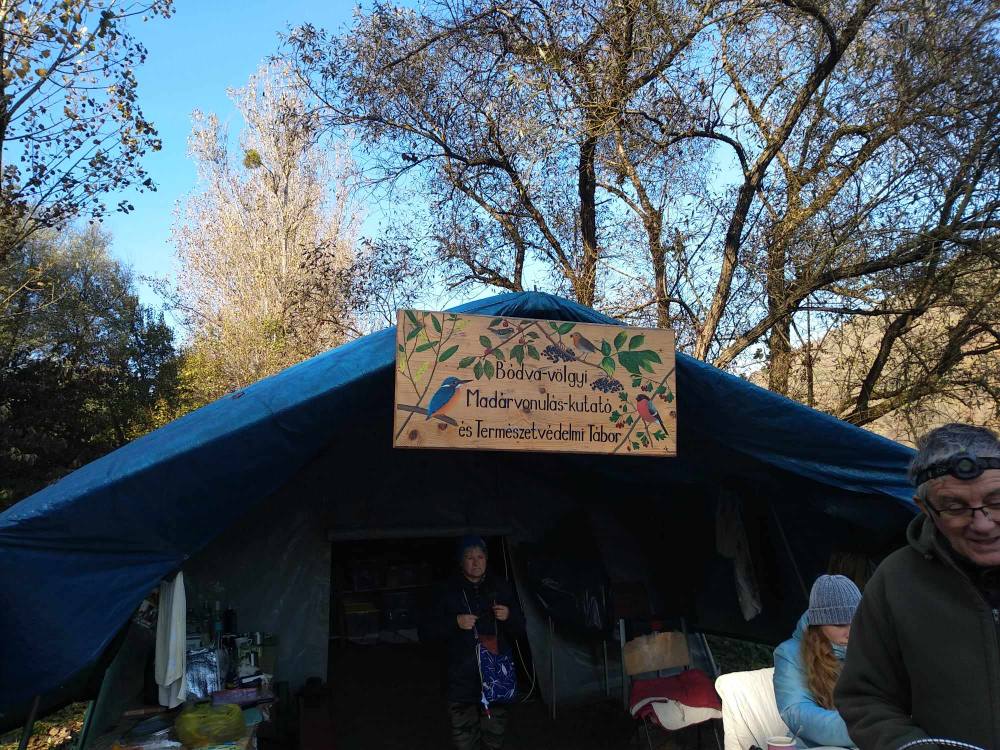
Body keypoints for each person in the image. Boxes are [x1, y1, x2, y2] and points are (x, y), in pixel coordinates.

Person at [835, 423, 1000, 748]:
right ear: (925, 509)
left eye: (996, 502)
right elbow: (864, 698)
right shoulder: (896, 581)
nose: (982, 524)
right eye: (955, 508)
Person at [421, 536, 526, 750]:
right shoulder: (446, 590)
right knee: (464, 738)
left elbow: (520, 627)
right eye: (469, 557)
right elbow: (426, 632)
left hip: (496, 673)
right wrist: (455, 622)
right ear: (461, 562)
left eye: (480, 557)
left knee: (494, 735)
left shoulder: (501, 587)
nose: (476, 562)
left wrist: (509, 616)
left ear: (486, 559)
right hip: (461, 675)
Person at [773, 574, 860, 748]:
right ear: (819, 624)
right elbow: (796, 712)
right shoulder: (790, 654)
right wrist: (858, 727)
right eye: (840, 624)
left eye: (856, 621)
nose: (850, 632)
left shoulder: (874, 644)